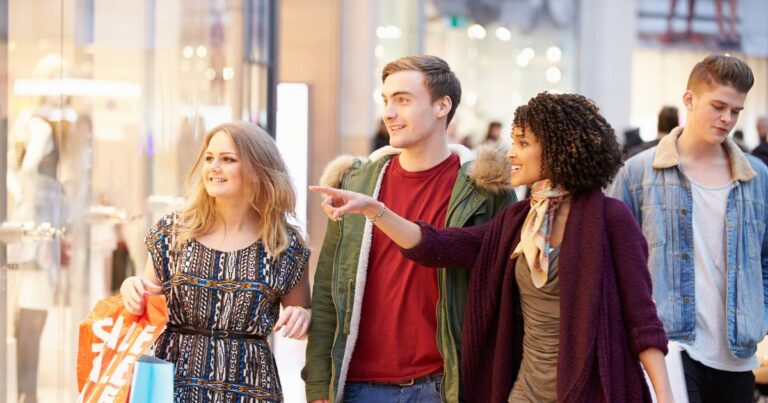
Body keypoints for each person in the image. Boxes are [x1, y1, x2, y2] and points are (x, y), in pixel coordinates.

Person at [312, 92, 674, 403]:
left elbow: (641, 320)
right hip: (523, 392)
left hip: (591, 391)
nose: (510, 153)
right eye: (512, 141)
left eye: (523, 143)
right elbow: (438, 245)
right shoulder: (517, 221)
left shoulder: (611, 219)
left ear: (561, 148)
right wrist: (375, 209)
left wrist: (665, 396)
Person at [303, 55, 515, 403]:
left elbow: (503, 297)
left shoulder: (485, 192)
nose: (389, 112)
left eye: (402, 100)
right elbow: (328, 291)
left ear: (441, 106)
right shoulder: (357, 183)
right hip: (359, 387)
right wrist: (318, 386)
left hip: (444, 386)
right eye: (386, 100)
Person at [609, 54, 768, 403]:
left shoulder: (757, 177)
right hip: (668, 346)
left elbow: (766, 259)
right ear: (689, 99)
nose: (727, 118)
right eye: (719, 106)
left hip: (737, 353)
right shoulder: (639, 173)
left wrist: (760, 311)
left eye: (736, 111)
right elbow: (614, 260)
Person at [120, 122, 311, 402]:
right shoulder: (173, 232)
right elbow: (146, 306)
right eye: (209, 158)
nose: (214, 167)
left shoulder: (284, 244)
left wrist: (305, 317)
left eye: (228, 159)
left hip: (251, 389)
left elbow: (303, 314)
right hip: (174, 385)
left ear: (258, 170)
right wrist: (130, 287)